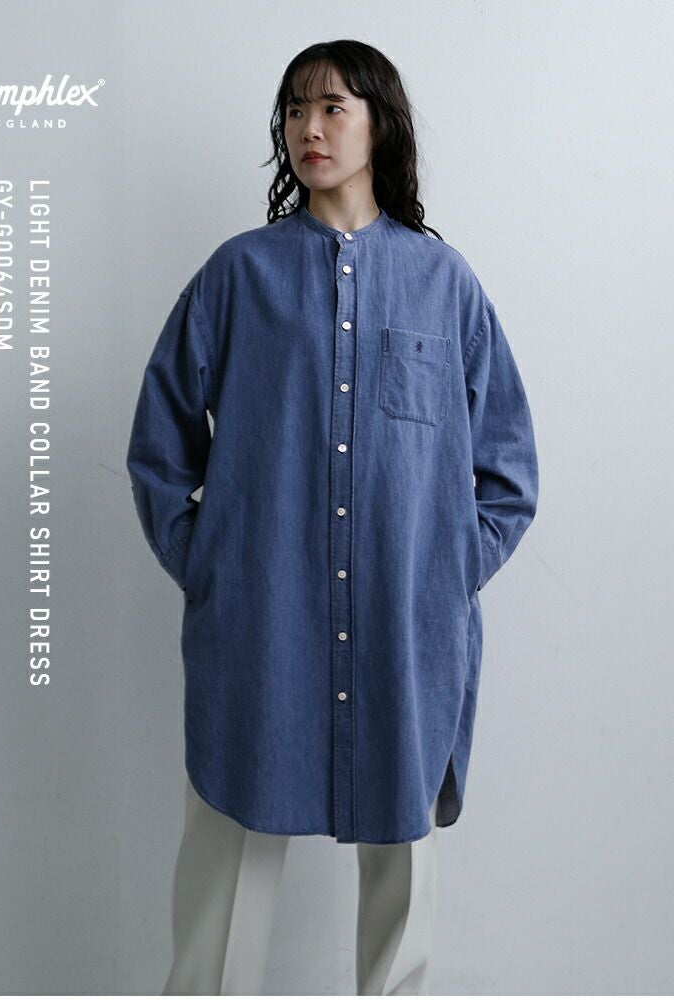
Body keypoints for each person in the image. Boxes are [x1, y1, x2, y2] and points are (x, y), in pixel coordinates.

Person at [126, 39, 539, 996]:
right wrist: (216, 565)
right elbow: (159, 447)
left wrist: (441, 574)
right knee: (226, 868)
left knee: (403, 873)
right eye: (294, 110)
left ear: (378, 124)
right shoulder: (238, 276)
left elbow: (507, 469)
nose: (309, 128)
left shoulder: (444, 284)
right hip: (259, 628)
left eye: (333, 107)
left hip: (403, 634)